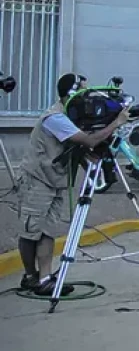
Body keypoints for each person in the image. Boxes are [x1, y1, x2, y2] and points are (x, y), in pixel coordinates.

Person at [16, 73, 130, 296]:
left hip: (55, 182)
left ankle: (46, 278)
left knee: (47, 231)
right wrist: (117, 123)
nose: (86, 97)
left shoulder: (70, 118)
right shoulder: (56, 119)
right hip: (37, 180)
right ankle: (30, 277)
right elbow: (89, 141)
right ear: (70, 94)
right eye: (82, 91)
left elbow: (79, 148)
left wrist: (92, 158)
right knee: (31, 232)